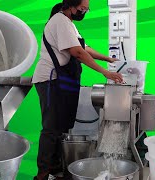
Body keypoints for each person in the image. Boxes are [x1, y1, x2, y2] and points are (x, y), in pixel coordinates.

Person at [32, 0, 123, 179]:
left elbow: (84, 48)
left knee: (61, 126)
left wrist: (108, 59)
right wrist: (105, 72)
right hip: (50, 80)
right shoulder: (59, 21)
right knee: (51, 128)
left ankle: (56, 170)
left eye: (86, 10)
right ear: (71, 6)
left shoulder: (69, 24)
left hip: (61, 81)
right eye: (82, 9)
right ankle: (42, 174)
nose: (84, 12)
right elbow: (78, 52)